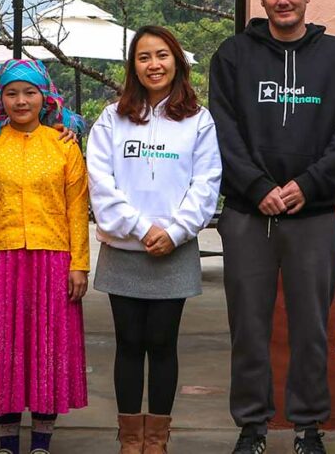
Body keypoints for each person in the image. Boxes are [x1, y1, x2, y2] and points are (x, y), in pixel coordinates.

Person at [209, 0, 335, 454]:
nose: (283, 0)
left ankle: (308, 428)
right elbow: (223, 130)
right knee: (248, 328)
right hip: (247, 214)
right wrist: (258, 188)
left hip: (314, 213)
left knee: (310, 330)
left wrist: (309, 184)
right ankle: (252, 427)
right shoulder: (232, 56)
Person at [87, 25, 222, 453]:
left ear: (176, 62)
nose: (154, 65)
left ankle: (157, 439)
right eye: (144, 57)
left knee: (163, 343)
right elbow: (101, 183)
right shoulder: (112, 118)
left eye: (161, 55)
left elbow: (207, 183)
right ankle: (129, 439)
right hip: (125, 248)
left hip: (174, 250)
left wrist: (176, 231)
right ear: (133, 67)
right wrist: (143, 228)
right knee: (128, 343)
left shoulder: (198, 119)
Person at [0, 59, 89, 454]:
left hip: (53, 258)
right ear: (1, 99)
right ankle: (7, 443)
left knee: (47, 348)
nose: (21, 101)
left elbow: (77, 207)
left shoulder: (63, 146)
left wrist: (79, 264)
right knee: (4, 348)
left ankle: (41, 444)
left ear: (44, 97)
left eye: (29, 92)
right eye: (12, 93)